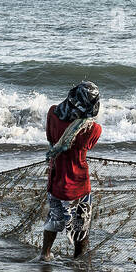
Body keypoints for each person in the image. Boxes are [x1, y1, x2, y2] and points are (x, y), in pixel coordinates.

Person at [40, 81, 102, 262]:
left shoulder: (53, 113)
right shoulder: (92, 129)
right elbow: (88, 145)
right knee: (81, 228)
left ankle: (45, 255)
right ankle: (78, 263)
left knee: (53, 219)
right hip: (78, 185)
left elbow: (50, 137)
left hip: (55, 180)